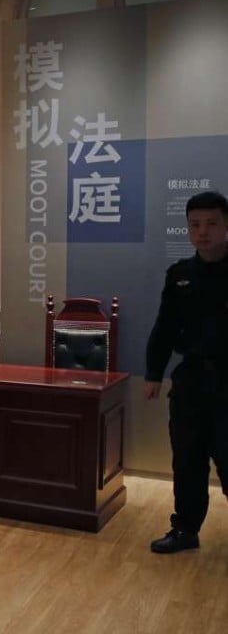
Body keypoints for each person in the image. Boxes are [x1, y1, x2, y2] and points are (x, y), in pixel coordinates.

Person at [145, 190, 228, 554]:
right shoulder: (180, 275)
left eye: (211, 223)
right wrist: (152, 373)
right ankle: (186, 529)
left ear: (226, 226)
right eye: (195, 224)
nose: (203, 232)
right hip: (192, 380)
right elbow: (164, 328)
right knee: (187, 458)